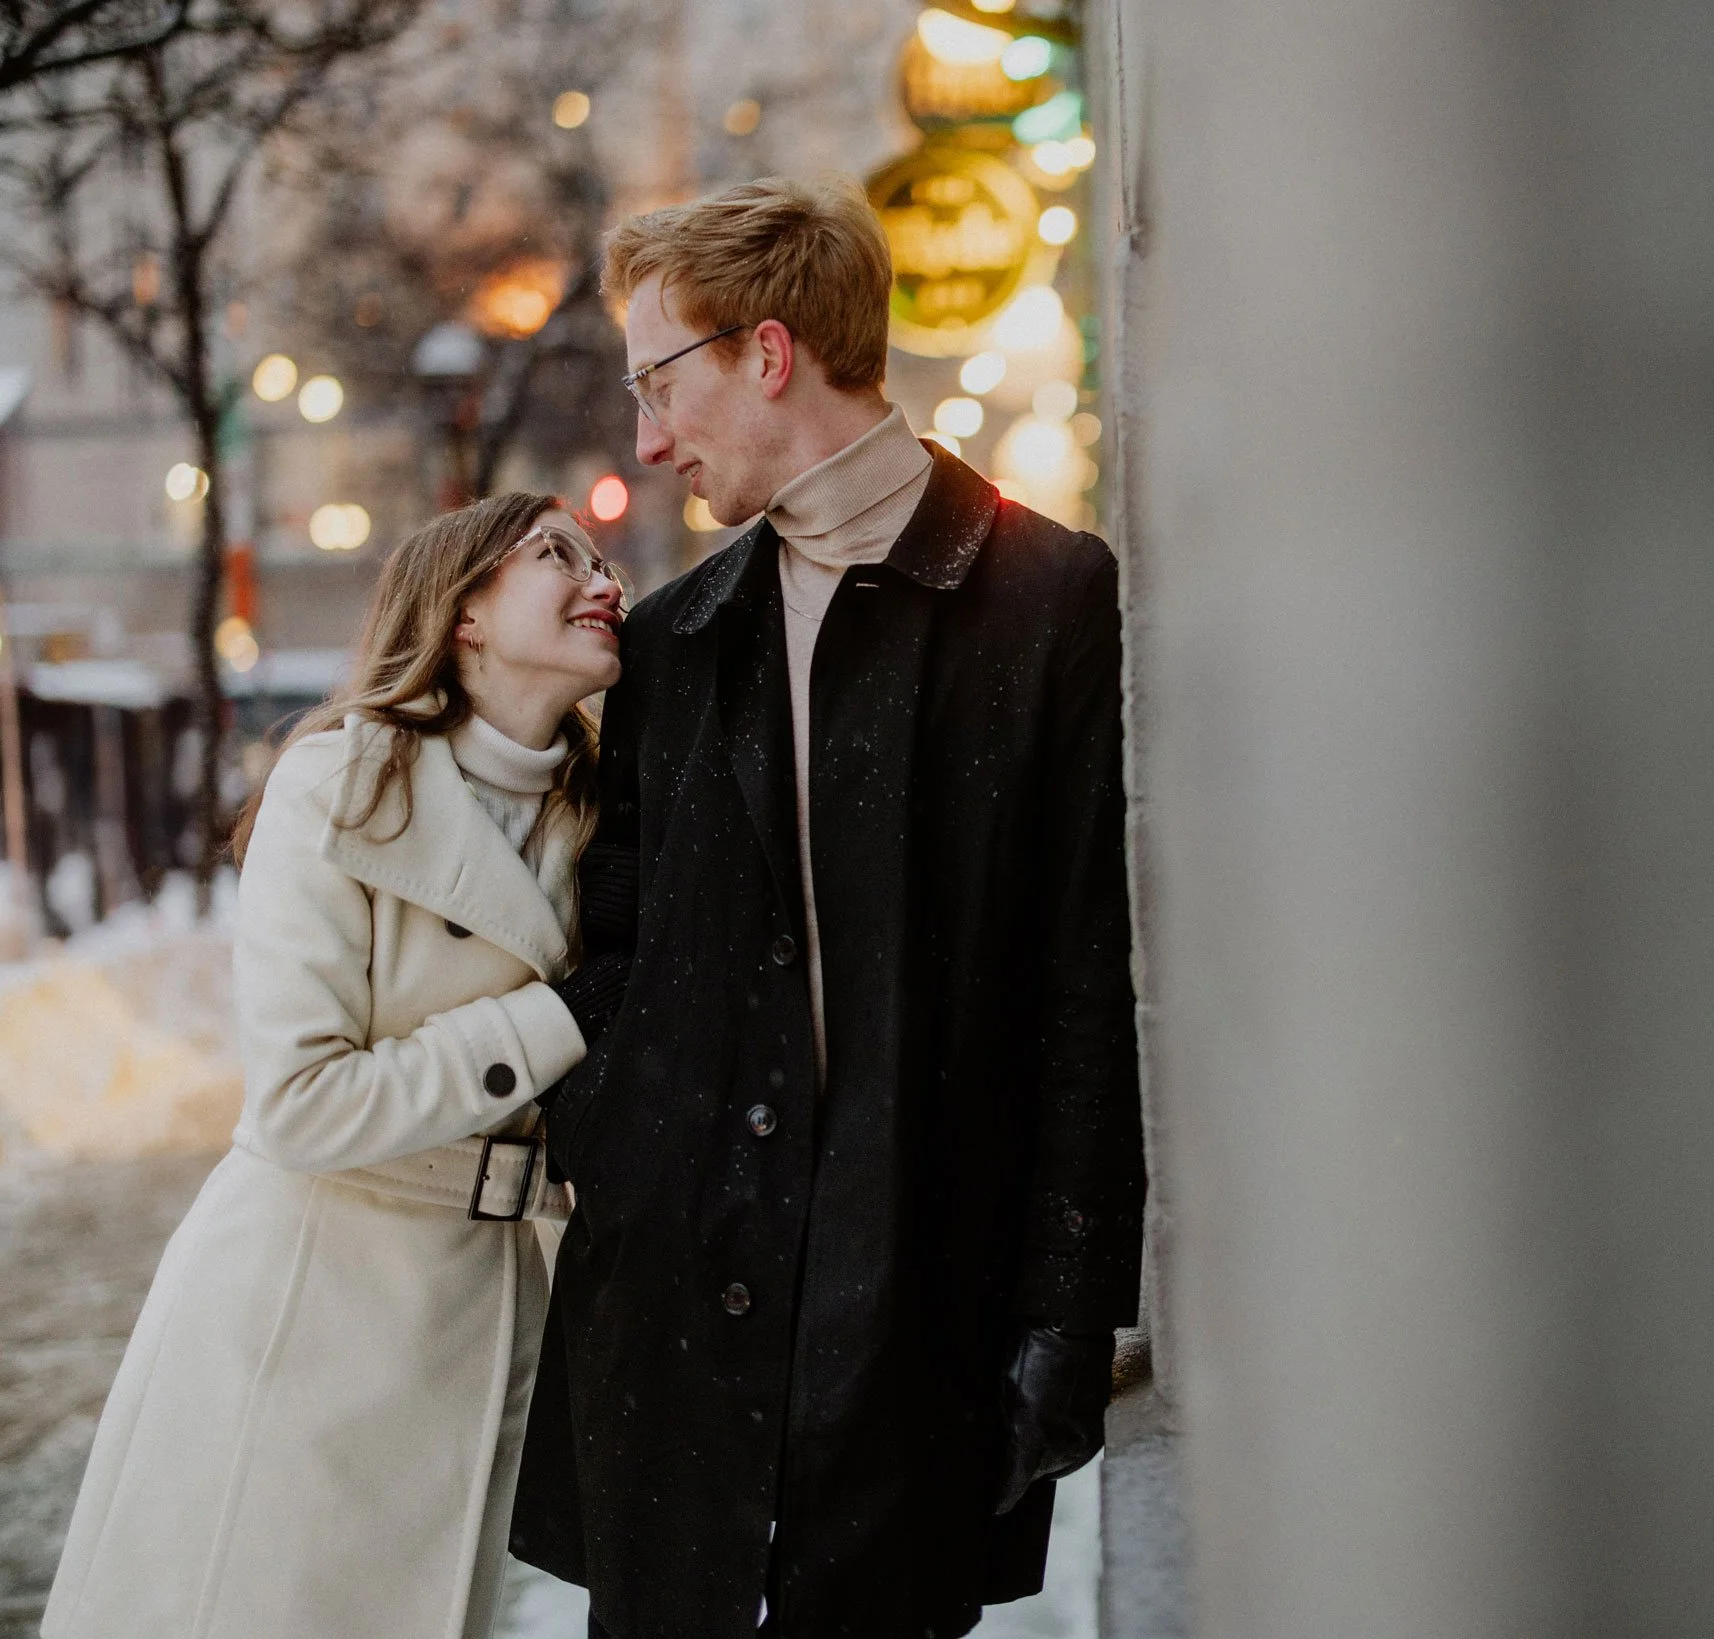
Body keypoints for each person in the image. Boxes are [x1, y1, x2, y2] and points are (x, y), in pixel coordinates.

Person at [508, 175, 1146, 1638]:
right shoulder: (675, 642)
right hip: (675, 1306)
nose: (650, 436)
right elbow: (615, 942)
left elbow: (1083, 974)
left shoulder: (1048, 597)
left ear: (767, 351)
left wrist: (1063, 1305)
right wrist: (610, 1129)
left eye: (658, 381)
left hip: (915, 1307)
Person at [40, 495, 629, 1639]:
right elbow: (303, 1101)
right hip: (303, 1302)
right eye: (557, 553)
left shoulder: (601, 819)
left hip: (485, 1298)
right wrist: (551, 1019)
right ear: (462, 611)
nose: (601, 578)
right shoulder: (342, 786)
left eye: (602, 559)